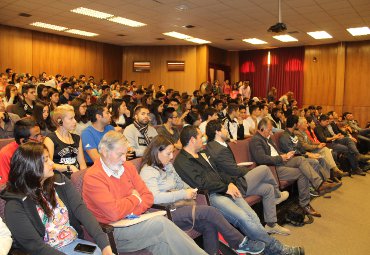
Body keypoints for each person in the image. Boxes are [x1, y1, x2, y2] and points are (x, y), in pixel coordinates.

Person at [174, 126, 304, 255]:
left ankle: (265, 248)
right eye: (200, 137)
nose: (203, 139)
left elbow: (219, 171)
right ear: (192, 140)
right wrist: (225, 187)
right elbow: (201, 183)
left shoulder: (202, 153)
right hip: (211, 196)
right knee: (244, 218)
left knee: (252, 216)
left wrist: (230, 183)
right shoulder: (182, 161)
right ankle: (277, 248)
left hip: (225, 189)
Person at [82, 131, 208, 255]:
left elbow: (148, 197)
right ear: (104, 152)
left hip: (137, 221)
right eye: (120, 154)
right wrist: (135, 198)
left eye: (125, 154)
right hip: (113, 232)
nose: (124, 159)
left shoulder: (127, 167)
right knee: (161, 224)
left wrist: (129, 209)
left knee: (162, 245)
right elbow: (114, 213)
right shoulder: (93, 176)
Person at [139, 135, 265, 254]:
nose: (172, 156)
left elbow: (181, 184)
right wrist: (182, 194)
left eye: (172, 152)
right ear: (156, 152)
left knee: (209, 224)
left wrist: (190, 191)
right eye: (168, 153)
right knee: (210, 211)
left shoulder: (168, 166)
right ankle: (240, 243)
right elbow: (154, 198)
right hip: (165, 214)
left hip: (180, 207)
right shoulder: (148, 171)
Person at [0, 143, 113, 255]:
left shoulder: (59, 181)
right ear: (30, 166)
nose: (52, 163)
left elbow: (81, 210)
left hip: (74, 244)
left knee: (98, 252)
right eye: (45, 160)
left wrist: (105, 245)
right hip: (47, 251)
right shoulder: (15, 204)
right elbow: (34, 246)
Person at [205, 120, 290, 235]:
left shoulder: (215, 145)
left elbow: (229, 167)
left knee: (268, 188)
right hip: (235, 185)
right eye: (223, 128)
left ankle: (271, 225)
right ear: (218, 132)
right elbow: (233, 170)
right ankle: (278, 195)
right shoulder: (218, 150)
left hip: (236, 179)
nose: (226, 130)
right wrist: (248, 170)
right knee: (264, 168)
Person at [249, 118, 341, 217]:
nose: (271, 132)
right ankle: (305, 204)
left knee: (301, 159)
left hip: (281, 161)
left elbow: (276, 152)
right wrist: (280, 158)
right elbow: (261, 159)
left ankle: (319, 184)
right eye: (269, 130)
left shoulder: (268, 138)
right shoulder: (256, 140)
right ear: (262, 128)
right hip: (273, 168)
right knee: (302, 173)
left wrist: (286, 155)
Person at [44, 105, 87, 177]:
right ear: (60, 121)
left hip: (75, 178)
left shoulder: (77, 138)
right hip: (59, 178)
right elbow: (48, 164)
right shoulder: (50, 139)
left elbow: (82, 163)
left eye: (74, 118)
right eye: (71, 118)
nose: (75, 121)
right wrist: (69, 167)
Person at [0, 117, 43, 184]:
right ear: (23, 141)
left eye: (40, 134)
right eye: (36, 136)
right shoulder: (6, 154)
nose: (40, 138)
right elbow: (5, 183)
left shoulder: (40, 148)